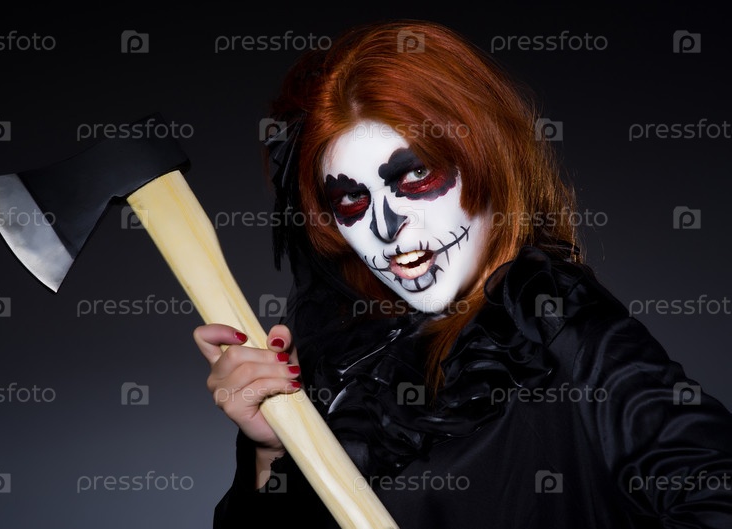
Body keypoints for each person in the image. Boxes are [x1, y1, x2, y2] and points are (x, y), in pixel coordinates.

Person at [193, 19, 732, 528]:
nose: (386, 227)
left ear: (486, 160)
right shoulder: (350, 366)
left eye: (415, 175)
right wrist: (273, 449)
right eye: (353, 200)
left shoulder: (566, 333)